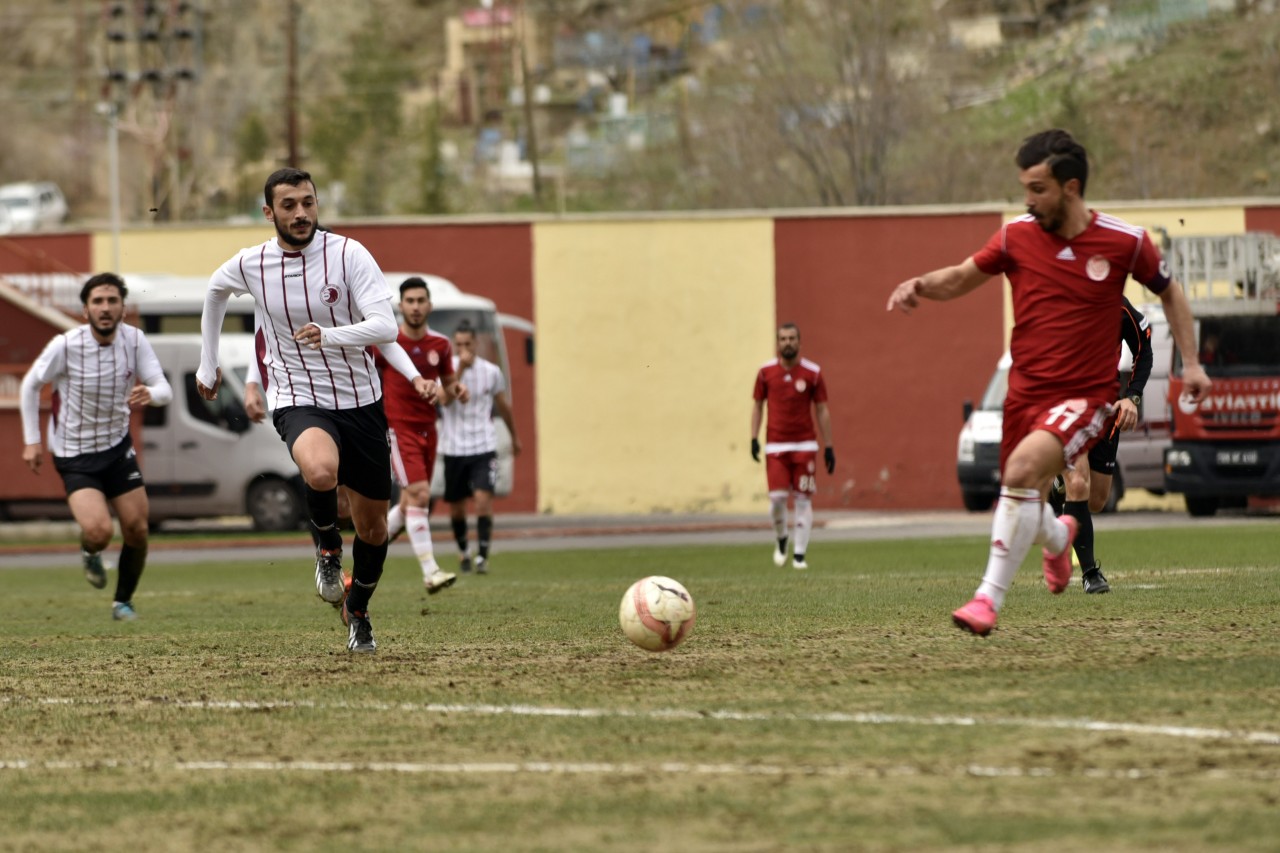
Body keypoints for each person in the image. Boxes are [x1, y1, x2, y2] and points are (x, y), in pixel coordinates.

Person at [886, 128, 1211, 636]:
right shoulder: (1016, 237)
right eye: (1025, 188)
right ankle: (1059, 539)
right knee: (1022, 488)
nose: (1028, 200)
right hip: (1025, 392)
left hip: (1085, 397)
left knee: (1020, 471)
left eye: (1038, 189)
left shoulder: (1124, 242)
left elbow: (1172, 295)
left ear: (1071, 187)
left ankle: (986, 600)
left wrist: (1190, 363)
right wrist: (920, 285)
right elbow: (963, 275)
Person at [196, 167, 405, 654]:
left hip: (361, 400)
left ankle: (359, 611)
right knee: (318, 469)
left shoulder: (350, 254)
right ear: (269, 212)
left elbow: (385, 326)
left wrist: (330, 335)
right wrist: (208, 364)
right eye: (288, 205)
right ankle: (328, 551)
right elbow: (214, 291)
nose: (301, 213)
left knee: (374, 527)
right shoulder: (252, 263)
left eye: (308, 202)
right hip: (297, 396)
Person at [19, 272, 173, 621]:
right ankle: (90, 552)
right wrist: (32, 441)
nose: (105, 308)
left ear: (122, 307)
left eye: (112, 301)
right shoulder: (65, 345)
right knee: (100, 532)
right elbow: (30, 386)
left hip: (118, 450)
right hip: (74, 454)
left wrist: (152, 393)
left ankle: (123, 602)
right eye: (97, 302)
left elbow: (164, 388)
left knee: (136, 528)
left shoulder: (135, 341)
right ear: (85, 309)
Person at [1049, 296, 1154, 594]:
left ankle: (1056, 492)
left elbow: (1144, 349)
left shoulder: (1116, 306)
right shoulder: (1056, 301)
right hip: (1066, 409)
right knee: (1079, 482)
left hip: (1104, 412)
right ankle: (1090, 573)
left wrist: (1132, 396)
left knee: (1096, 500)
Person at [377, 277, 468, 595]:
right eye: (410, 301)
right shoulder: (385, 343)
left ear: (429, 305)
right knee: (420, 494)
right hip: (398, 429)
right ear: (400, 306)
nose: (415, 307)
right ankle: (431, 572)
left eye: (420, 301)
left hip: (429, 429)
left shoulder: (440, 345)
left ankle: (365, 556)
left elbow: (448, 390)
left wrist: (457, 389)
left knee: (408, 505)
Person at [750, 323, 836, 570]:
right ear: (778, 343)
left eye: (792, 338)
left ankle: (799, 554)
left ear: (799, 341)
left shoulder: (813, 372)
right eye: (783, 339)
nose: (787, 343)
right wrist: (754, 438)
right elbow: (757, 406)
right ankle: (781, 539)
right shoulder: (765, 372)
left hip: (805, 445)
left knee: (803, 499)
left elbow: (822, 409)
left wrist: (828, 446)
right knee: (777, 498)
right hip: (776, 444)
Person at [439, 320, 522, 575]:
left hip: (483, 445)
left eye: (468, 343)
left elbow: (503, 405)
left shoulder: (491, 371)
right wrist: (460, 369)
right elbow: (444, 400)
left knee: (484, 499)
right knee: (457, 507)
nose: (464, 348)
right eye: (459, 344)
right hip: (454, 447)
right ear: (454, 345)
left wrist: (514, 436)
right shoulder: (447, 369)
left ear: (475, 343)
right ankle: (464, 551)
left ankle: (483, 556)